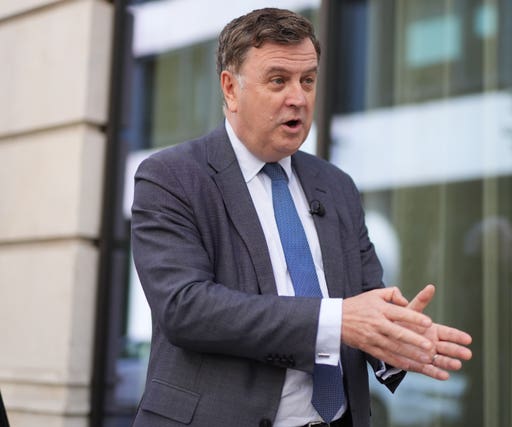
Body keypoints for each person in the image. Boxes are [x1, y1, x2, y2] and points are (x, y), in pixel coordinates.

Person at [131, 7, 472, 427]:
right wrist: (338, 320)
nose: (299, 97)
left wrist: (395, 339)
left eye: (307, 80)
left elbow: (365, 303)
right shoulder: (172, 176)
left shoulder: (337, 186)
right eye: (278, 80)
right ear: (230, 89)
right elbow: (186, 309)